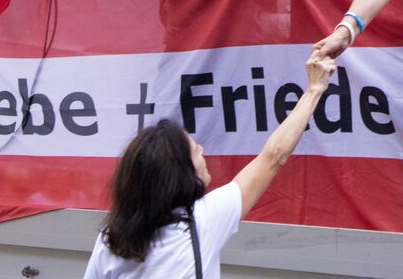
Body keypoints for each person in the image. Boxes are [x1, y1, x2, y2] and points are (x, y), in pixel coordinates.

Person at [83, 57, 334, 278]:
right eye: (194, 150)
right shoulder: (203, 221)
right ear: (178, 176)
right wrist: (314, 88)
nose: (202, 149)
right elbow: (273, 156)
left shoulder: (112, 237)